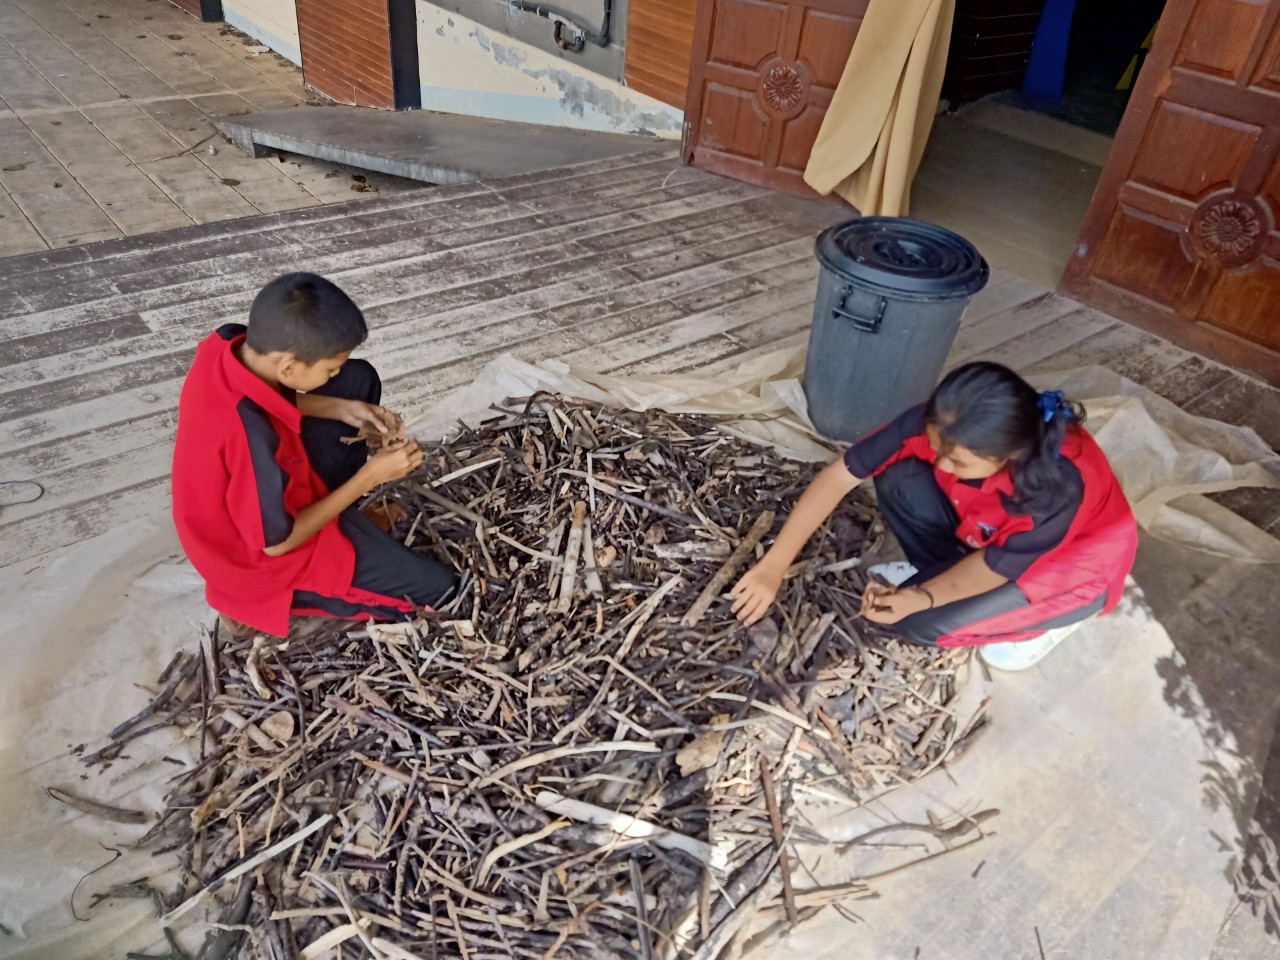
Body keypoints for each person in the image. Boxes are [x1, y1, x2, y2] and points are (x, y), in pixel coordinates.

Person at [730, 361, 1138, 657]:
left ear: (1010, 455)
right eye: (939, 447)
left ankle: (1040, 624)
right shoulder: (938, 422)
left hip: (1066, 570)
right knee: (899, 474)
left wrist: (922, 598)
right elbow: (840, 476)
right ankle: (944, 574)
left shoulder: (1055, 490)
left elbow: (993, 568)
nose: (942, 465)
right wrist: (773, 566)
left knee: (918, 625)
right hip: (991, 537)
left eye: (959, 462)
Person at [172, 272, 457, 637]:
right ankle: (251, 604)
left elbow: (268, 397)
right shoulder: (249, 437)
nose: (333, 372)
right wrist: (369, 477)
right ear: (288, 367)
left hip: (267, 491)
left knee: (358, 380)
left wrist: (342, 409)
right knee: (438, 590)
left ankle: (344, 520)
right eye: (328, 368)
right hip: (258, 563)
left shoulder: (227, 342)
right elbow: (276, 544)